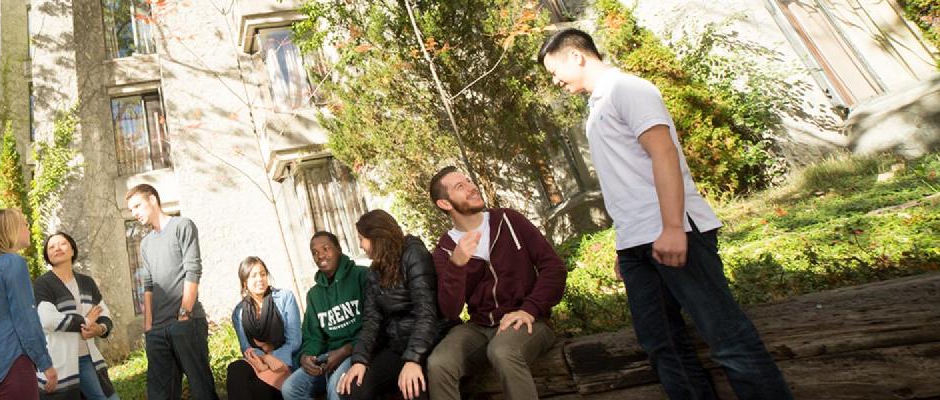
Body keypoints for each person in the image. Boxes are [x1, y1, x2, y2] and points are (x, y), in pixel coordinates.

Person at [538, 28, 793, 400]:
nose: (554, 80)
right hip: (638, 244)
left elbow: (664, 154)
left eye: (554, 70)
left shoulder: (628, 89)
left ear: (577, 56)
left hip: (676, 231)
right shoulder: (596, 107)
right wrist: (624, 246)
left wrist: (673, 226)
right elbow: (625, 181)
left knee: (727, 339)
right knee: (662, 346)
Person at [424, 166, 567, 400]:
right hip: (479, 327)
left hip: (530, 321)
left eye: (469, 181)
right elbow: (450, 310)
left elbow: (554, 268)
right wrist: (457, 265)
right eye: (461, 186)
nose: (472, 187)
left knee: (503, 351)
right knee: (439, 363)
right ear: (445, 204)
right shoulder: (445, 250)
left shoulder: (508, 220)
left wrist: (529, 310)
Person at [124, 184, 219, 400]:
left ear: (153, 200)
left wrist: (184, 315)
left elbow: (193, 270)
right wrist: (148, 326)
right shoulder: (146, 244)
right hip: (157, 330)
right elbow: (147, 285)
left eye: (138, 205)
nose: (135, 213)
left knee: (202, 389)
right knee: (160, 395)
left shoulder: (182, 225)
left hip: (186, 323)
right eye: (131, 210)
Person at [337, 210, 442, 400]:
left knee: (413, 390)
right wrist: (360, 360)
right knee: (353, 389)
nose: (361, 246)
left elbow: (426, 313)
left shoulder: (413, 254)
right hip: (397, 346)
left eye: (362, 239)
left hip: (426, 344)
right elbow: (371, 321)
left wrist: (413, 359)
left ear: (377, 238)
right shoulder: (373, 273)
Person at [0, 208, 56, 399]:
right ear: (12, 230)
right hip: (13, 365)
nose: (28, 228)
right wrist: (45, 363)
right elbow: (26, 320)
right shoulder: (13, 263)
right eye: (25, 224)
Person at [33, 232, 121, 400]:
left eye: (62, 244)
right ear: (47, 256)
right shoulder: (42, 284)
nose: (57, 248)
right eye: (51, 247)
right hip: (59, 361)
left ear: (72, 250)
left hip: (87, 357)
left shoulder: (87, 282)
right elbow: (48, 320)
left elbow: (103, 313)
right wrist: (86, 321)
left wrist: (99, 329)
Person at [282, 232, 368, 400]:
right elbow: (313, 336)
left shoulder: (362, 276)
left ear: (339, 249)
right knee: (290, 389)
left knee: (336, 387)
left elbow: (375, 324)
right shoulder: (314, 295)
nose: (320, 255)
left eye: (326, 249)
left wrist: (346, 350)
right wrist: (306, 356)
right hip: (329, 357)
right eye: (314, 252)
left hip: (358, 351)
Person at [227, 256, 303, 400]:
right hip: (258, 362)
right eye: (253, 276)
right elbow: (246, 347)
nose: (260, 279)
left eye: (262, 274)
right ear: (245, 283)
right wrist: (263, 359)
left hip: (284, 361)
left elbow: (294, 340)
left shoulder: (285, 298)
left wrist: (271, 359)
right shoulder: (239, 312)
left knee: (257, 389)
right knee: (235, 369)